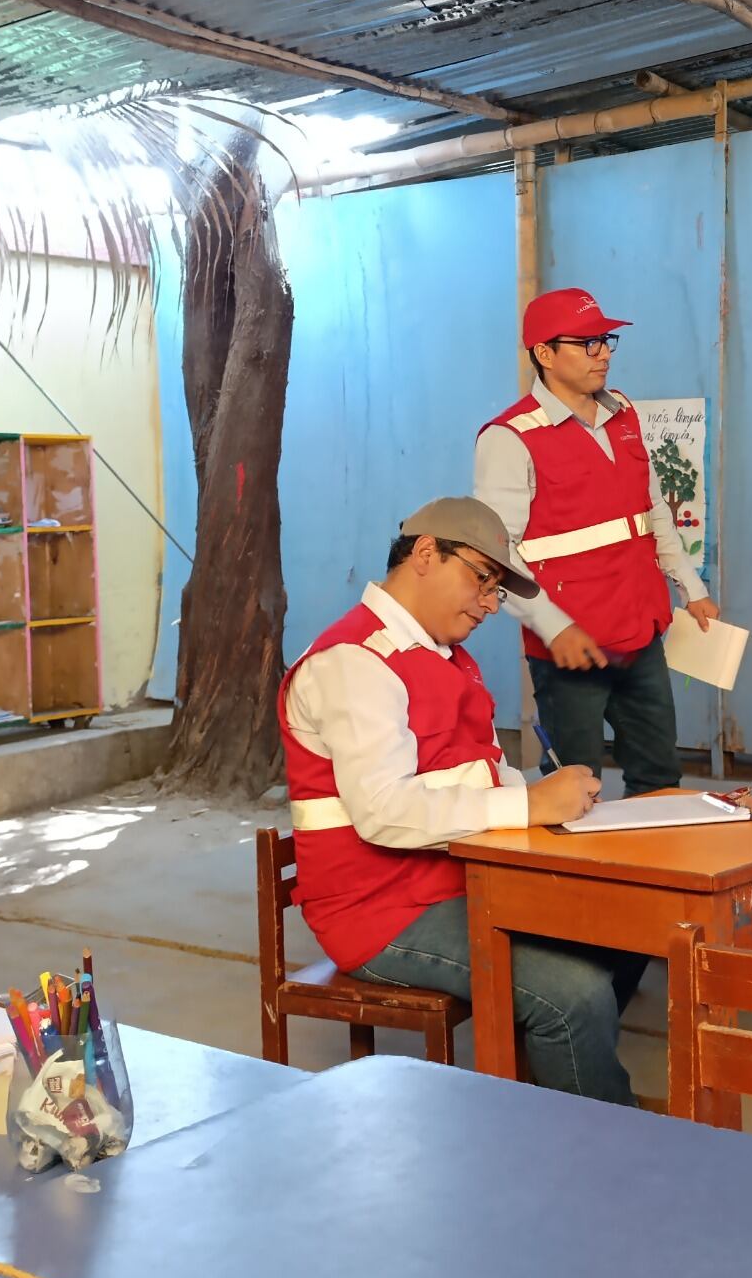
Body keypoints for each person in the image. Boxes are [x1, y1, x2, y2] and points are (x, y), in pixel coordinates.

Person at [279, 497, 635, 1103]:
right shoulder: (355, 661)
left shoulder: (445, 658)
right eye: (482, 579)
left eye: (497, 589)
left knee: (628, 931)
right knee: (571, 994)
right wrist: (529, 806)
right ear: (424, 554)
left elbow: (472, 778)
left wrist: (548, 794)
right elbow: (385, 810)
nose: (491, 603)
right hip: (380, 910)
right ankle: (607, 1157)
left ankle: (553, 1099)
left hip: (456, 878)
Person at [474, 287, 717, 799]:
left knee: (659, 780)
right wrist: (554, 628)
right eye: (587, 343)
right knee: (573, 791)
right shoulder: (510, 437)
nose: (603, 352)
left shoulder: (623, 413)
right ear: (544, 354)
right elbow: (499, 551)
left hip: (641, 632)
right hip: (571, 649)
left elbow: (651, 514)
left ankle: (656, 877)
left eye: (605, 340)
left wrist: (690, 589)